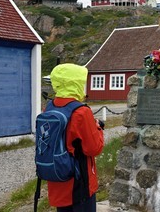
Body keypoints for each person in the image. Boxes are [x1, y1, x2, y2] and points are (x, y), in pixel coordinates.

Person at [47, 63, 104, 212]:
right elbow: (94, 148)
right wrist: (97, 127)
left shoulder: (50, 106)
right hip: (79, 181)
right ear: (76, 83)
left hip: (57, 174)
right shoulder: (81, 112)